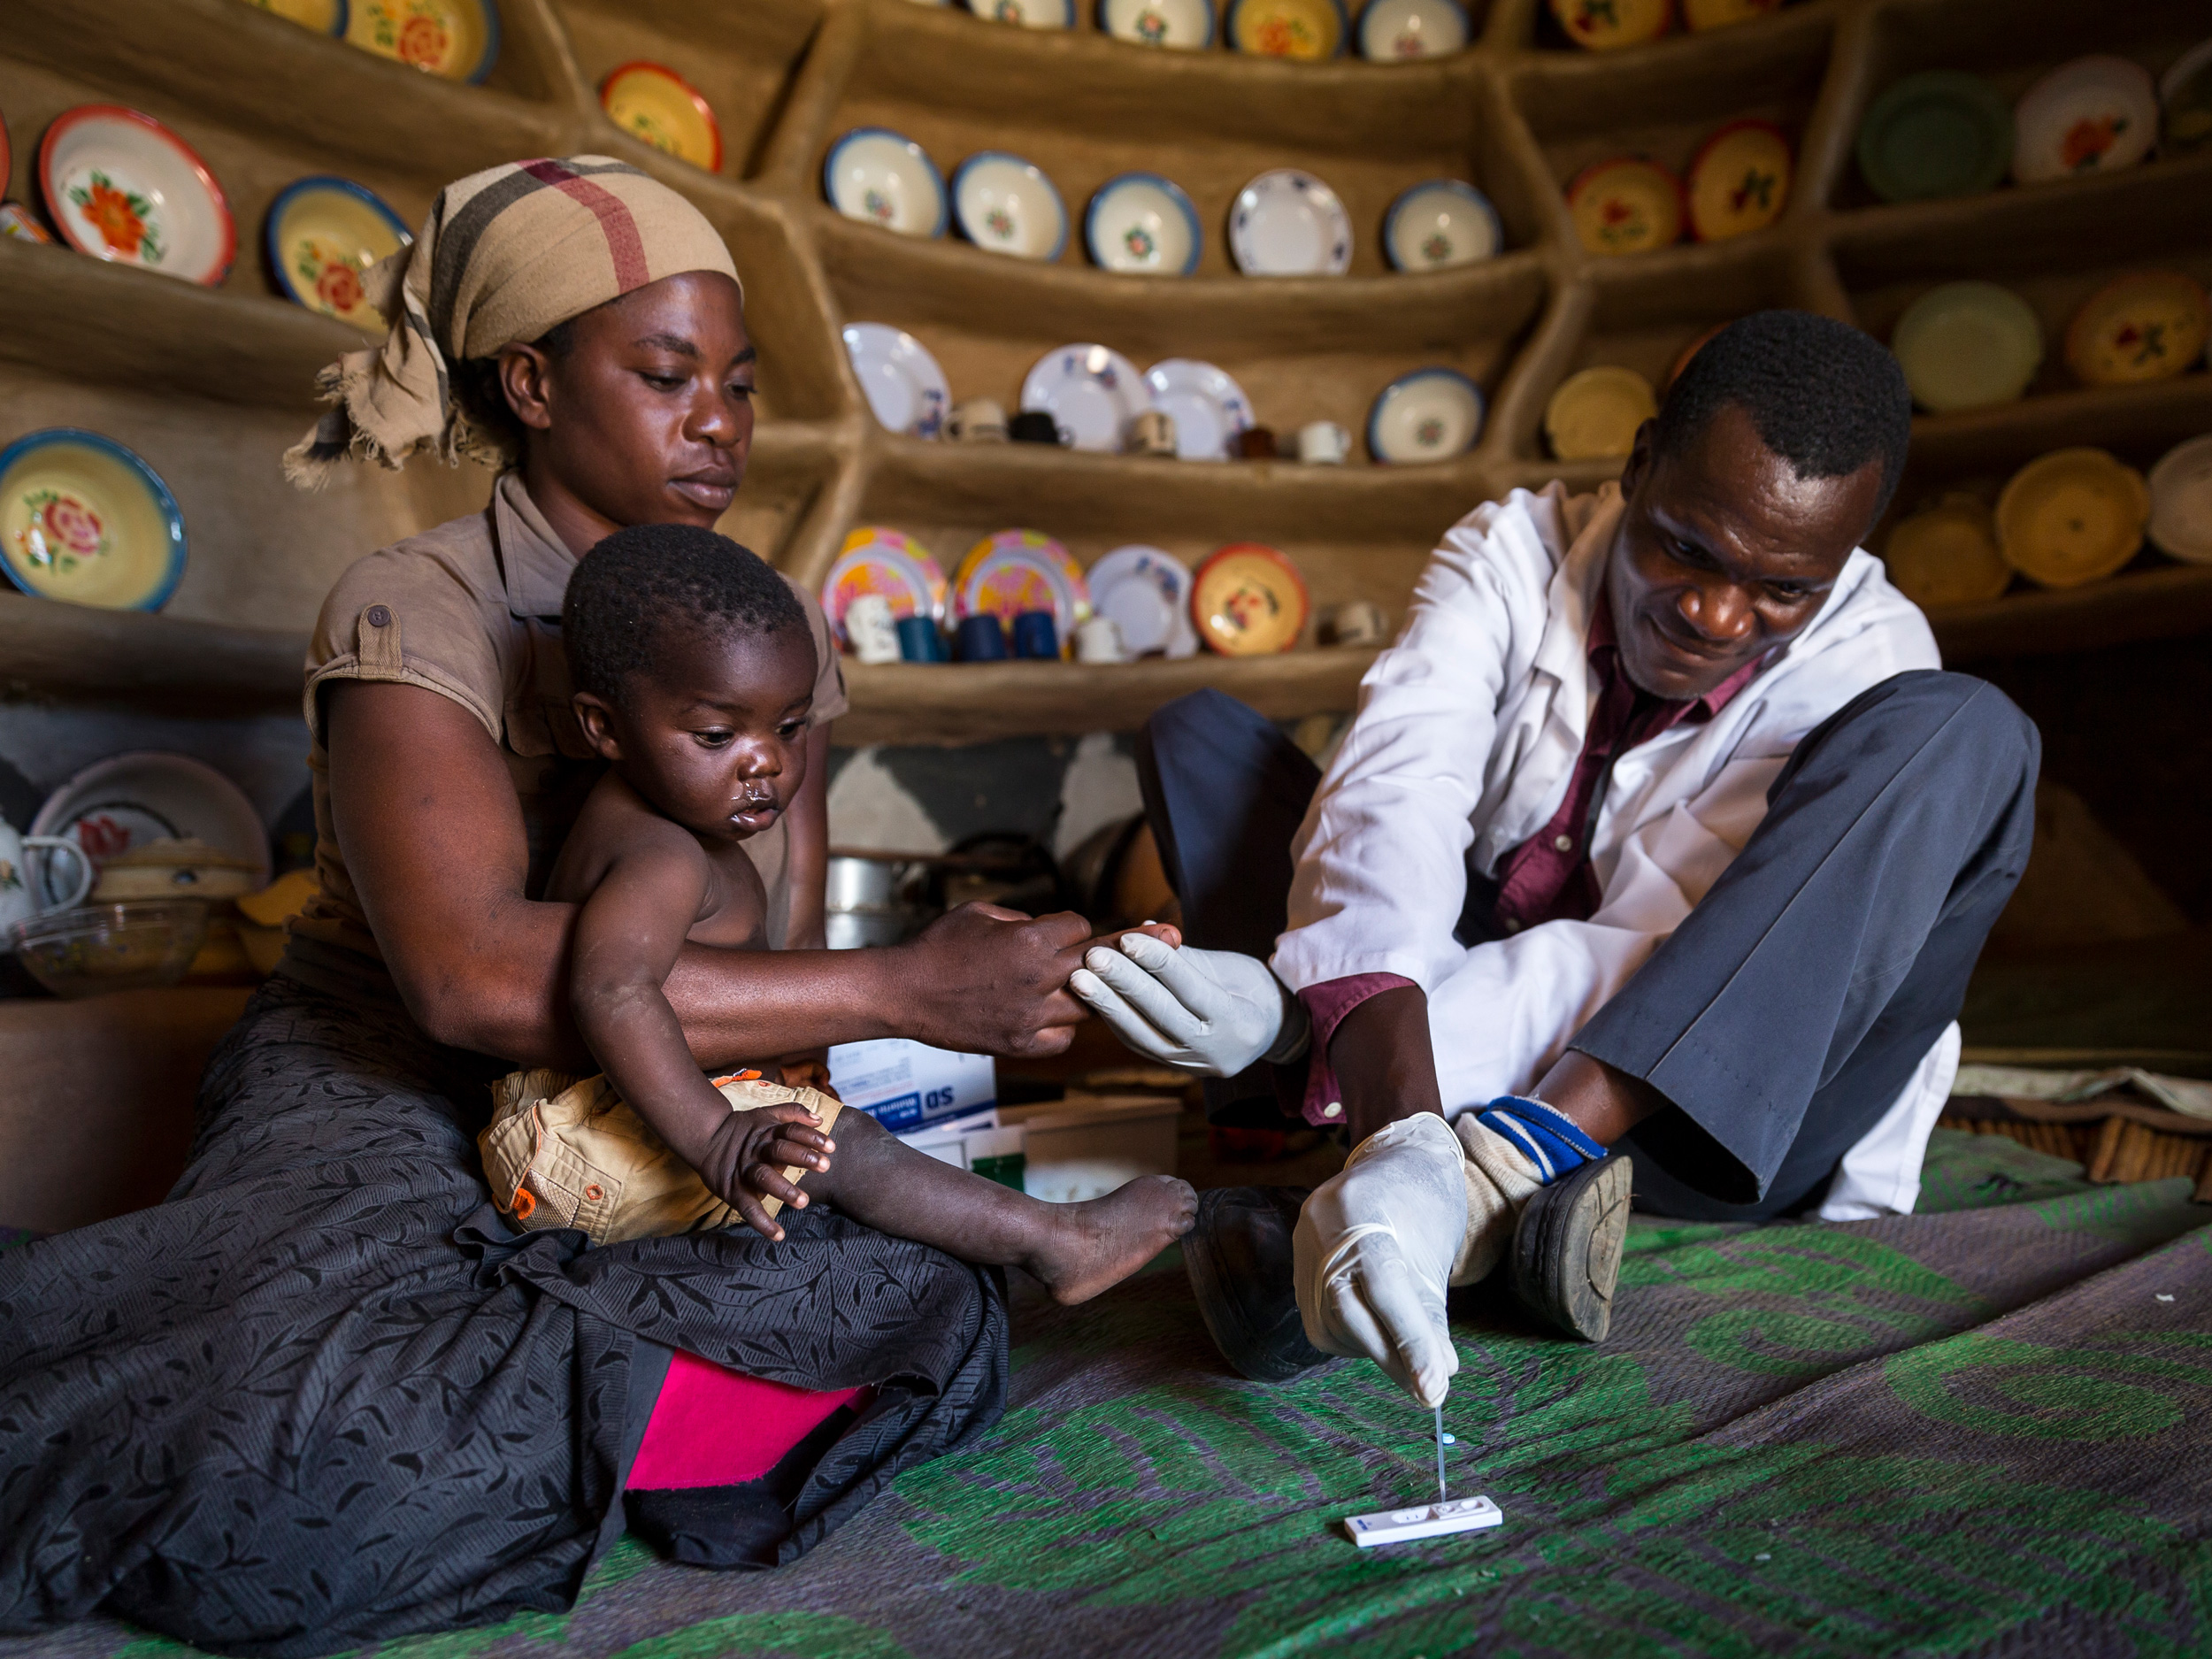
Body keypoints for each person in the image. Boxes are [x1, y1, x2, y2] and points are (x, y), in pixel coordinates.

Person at [0, 158, 1093, 1654]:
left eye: (739, 382)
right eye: (664, 373)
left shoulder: (763, 639)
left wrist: (805, 1103)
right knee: (294, 1404)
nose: (718, 417)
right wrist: (904, 989)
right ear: (529, 380)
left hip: (661, 1085)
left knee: (927, 1288)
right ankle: (628, 1422)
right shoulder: (416, 606)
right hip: (385, 1076)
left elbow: (771, 955)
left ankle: (606, 1409)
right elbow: (457, 982)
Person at [1071, 311, 2039, 1409]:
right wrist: (1377, 1080)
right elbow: (1398, 788)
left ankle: (1461, 1179)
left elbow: (1671, 962)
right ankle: (1436, 1187)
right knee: (1197, 735)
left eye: (1783, 590)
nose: (1719, 615)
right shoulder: (1509, 549)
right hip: (1478, 1026)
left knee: (1970, 731)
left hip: (1703, 1111)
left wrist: (1330, 1047)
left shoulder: (1870, 664)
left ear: (1845, 564)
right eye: (1687, 546)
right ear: (1635, 468)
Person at [488, 521, 1194, 1287]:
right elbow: (611, 988)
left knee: (830, 1149)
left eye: (789, 727)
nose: (767, 762)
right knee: (840, 1146)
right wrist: (719, 1135)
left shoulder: (669, 825)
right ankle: (1057, 1239)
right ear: (604, 727)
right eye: (718, 733)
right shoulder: (659, 851)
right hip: (580, 1139)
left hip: (595, 1123)